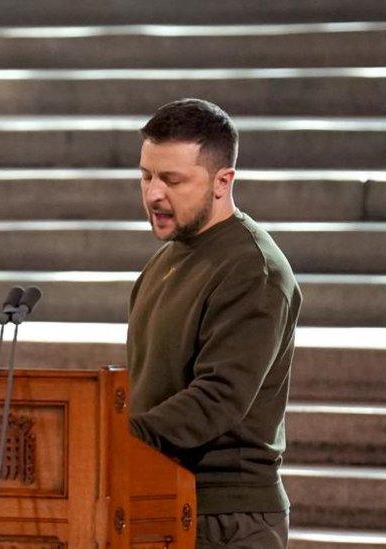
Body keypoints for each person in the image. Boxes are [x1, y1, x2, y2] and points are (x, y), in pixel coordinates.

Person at [127, 98, 302, 548]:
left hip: (229, 517)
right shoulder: (166, 259)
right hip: (163, 494)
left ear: (223, 181)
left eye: (172, 179)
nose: (153, 194)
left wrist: (114, 439)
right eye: (146, 175)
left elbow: (218, 398)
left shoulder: (253, 269)